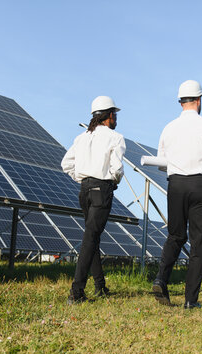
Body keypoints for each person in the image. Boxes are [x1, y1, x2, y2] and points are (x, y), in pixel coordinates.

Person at [152, 80, 202, 309]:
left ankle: (160, 279)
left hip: (176, 185)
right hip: (201, 185)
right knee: (199, 243)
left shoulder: (168, 128)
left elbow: (161, 163)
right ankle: (190, 300)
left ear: (180, 101)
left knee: (175, 236)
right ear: (198, 100)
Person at [61, 95, 126, 304]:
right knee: (90, 239)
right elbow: (116, 168)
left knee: (92, 238)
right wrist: (112, 181)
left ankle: (100, 286)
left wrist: (82, 176)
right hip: (101, 190)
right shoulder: (115, 138)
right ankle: (76, 292)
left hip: (85, 191)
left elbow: (66, 164)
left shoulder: (81, 138)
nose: (116, 118)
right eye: (114, 114)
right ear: (108, 116)